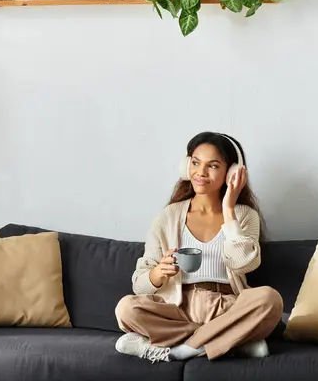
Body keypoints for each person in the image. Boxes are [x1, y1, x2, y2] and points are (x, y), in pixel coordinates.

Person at [114, 131, 283, 363]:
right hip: (179, 308)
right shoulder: (169, 216)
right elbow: (139, 286)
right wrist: (157, 274)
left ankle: (186, 348)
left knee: (269, 299)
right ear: (186, 166)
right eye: (195, 163)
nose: (201, 172)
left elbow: (244, 264)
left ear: (232, 172)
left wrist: (228, 209)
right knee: (126, 309)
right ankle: (230, 341)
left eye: (212, 166)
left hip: (228, 308)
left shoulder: (244, 216)